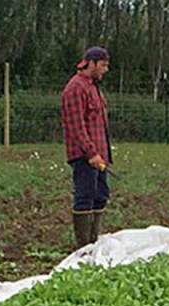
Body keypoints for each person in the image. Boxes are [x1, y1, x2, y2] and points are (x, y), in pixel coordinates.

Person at [61, 46, 111, 250]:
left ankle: (94, 241)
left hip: (99, 155)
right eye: (103, 65)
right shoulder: (76, 88)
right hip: (85, 156)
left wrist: (102, 155)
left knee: (100, 195)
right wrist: (91, 153)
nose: (106, 70)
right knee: (85, 196)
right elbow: (76, 126)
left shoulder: (93, 87)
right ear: (91, 63)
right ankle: (84, 247)